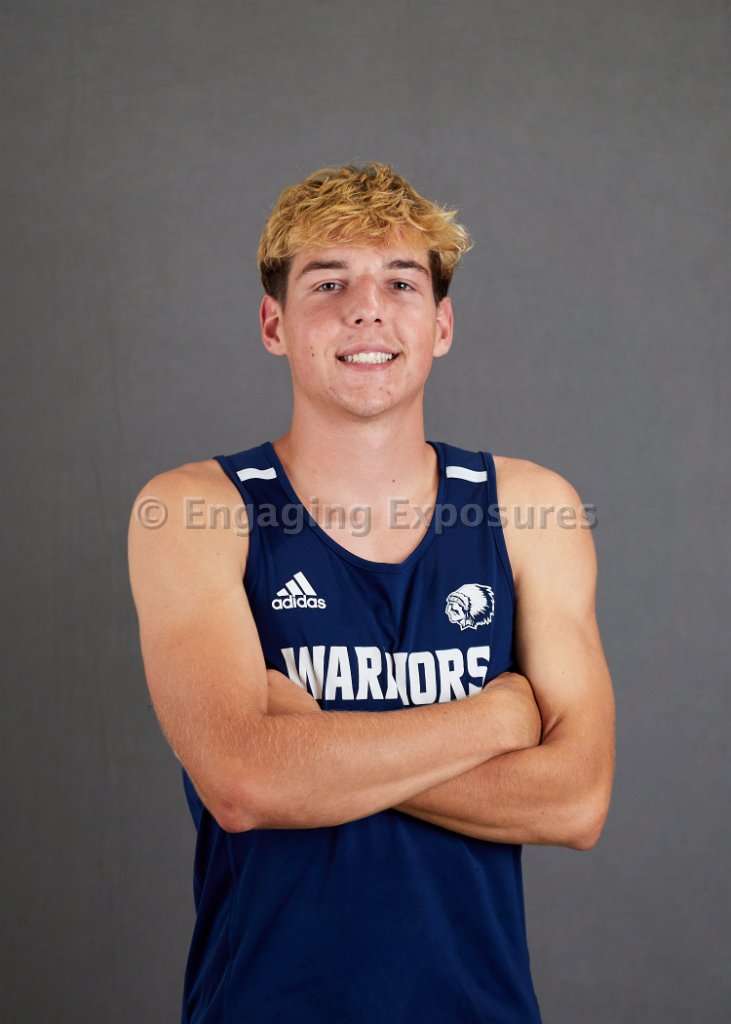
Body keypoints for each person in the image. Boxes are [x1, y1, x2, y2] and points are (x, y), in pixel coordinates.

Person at [127, 162, 615, 1024]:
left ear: (441, 324)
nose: (367, 309)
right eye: (328, 283)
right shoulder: (194, 509)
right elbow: (242, 782)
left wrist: (311, 741)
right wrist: (493, 720)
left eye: (400, 282)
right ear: (273, 324)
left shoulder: (528, 507)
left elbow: (575, 802)